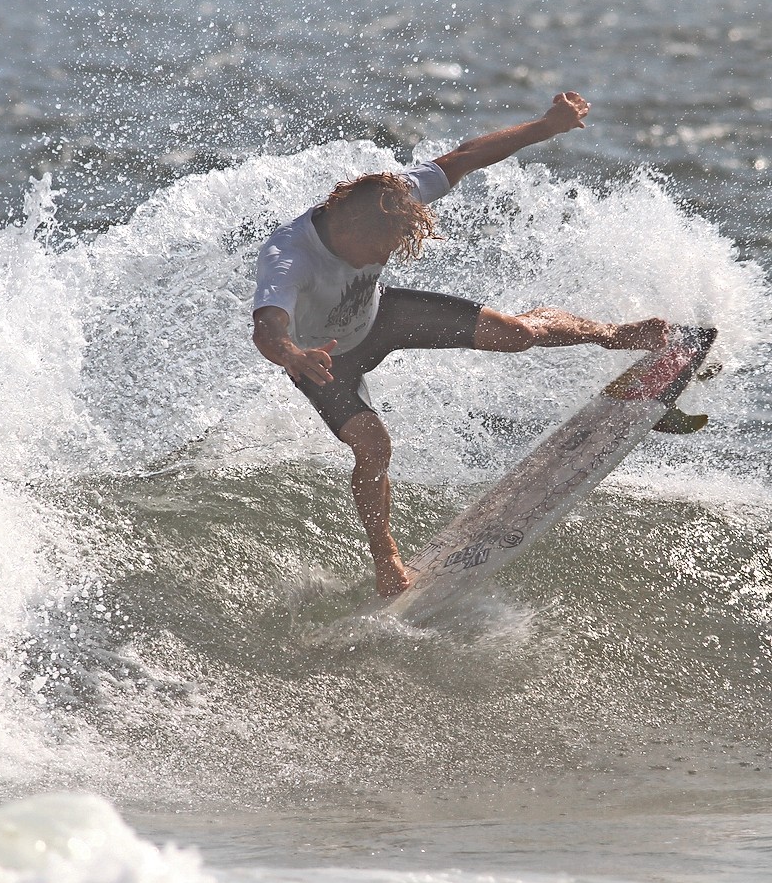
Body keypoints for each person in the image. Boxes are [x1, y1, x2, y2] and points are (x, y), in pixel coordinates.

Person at [252, 92, 669, 597]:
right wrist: (295, 356)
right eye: (382, 250)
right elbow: (268, 329)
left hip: (383, 317)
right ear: (352, 230)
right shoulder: (289, 257)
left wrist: (548, 124)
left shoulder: (390, 198)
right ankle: (387, 558)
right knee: (373, 444)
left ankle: (616, 335)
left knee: (516, 334)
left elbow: (464, 158)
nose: (387, 256)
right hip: (324, 359)